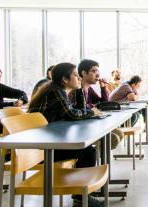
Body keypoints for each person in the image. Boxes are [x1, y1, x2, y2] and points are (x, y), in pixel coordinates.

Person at [28, 62, 103, 207]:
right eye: (76, 75)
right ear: (65, 79)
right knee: (88, 151)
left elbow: (74, 111)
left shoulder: (58, 90)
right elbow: (72, 114)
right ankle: (81, 197)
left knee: (87, 150)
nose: (79, 78)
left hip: (47, 141)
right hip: (39, 150)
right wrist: (91, 112)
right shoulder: (55, 91)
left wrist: (80, 91)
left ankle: (81, 195)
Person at [69, 59, 123, 149]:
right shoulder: (75, 90)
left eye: (98, 71)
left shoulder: (89, 89)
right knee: (113, 138)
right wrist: (93, 106)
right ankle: (92, 156)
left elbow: (103, 104)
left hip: (89, 123)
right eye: (94, 71)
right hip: (79, 129)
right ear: (84, 73)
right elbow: (79, 109)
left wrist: (103, 87)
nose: (98, 74)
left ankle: (95, 156)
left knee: (119, 134)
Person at [109, 75, 148, 140]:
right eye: (138, 86)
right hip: (114, 109)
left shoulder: (129, 86)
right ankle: (121, 130)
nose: (138, 87)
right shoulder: (126, 86)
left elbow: (136, 95)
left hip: (121, 107)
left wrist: (136, 95)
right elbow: (133, 98)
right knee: (136, 115)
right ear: (133, 85)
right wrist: (136, 96)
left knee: (145, 107)